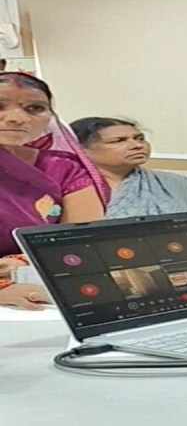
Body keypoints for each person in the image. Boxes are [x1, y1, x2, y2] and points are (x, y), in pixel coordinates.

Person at [0, 72, 106, 309]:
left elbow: (82, 240)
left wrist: (23, 262)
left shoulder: (65, 168)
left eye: (35, 108)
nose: (16, 118)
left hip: (45, 278)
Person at [70, 117, 187, 219]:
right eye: (118, 141)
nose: (137, 145)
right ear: (81, 149)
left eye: (140, 138)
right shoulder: (72, 188)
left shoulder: (174, 182)